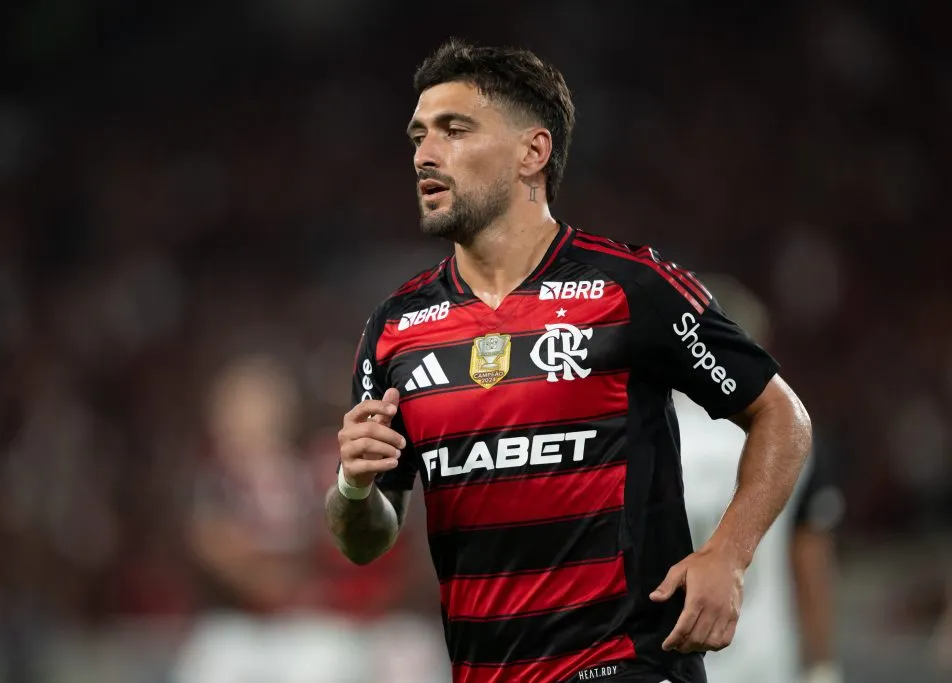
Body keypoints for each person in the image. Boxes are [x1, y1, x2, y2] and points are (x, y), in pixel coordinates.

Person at [324, 39, 813, 683]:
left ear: (533, 151)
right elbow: (367, 541)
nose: (424, 154)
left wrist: (728, 554)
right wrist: (353, 488)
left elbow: (782, 415)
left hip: (625, 664)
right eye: (418, 136)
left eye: (454, 129)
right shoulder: (395, 328)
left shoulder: (630, 288)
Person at [675, 276, 845, 683]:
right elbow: (810, 560)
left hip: (671, 664)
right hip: (766, 665)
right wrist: (822, 665)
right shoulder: (792, 436)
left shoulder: (649, 434)